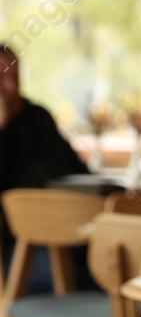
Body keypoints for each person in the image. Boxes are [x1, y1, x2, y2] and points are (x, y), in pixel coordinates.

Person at [0, 43, 91, 280]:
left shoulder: (38, 117)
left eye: (14, 77)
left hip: (74, 229)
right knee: (62, 274)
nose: (10, 86)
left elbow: (76, 169)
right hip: (21, 244)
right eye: (1, 79)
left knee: (113, 260)